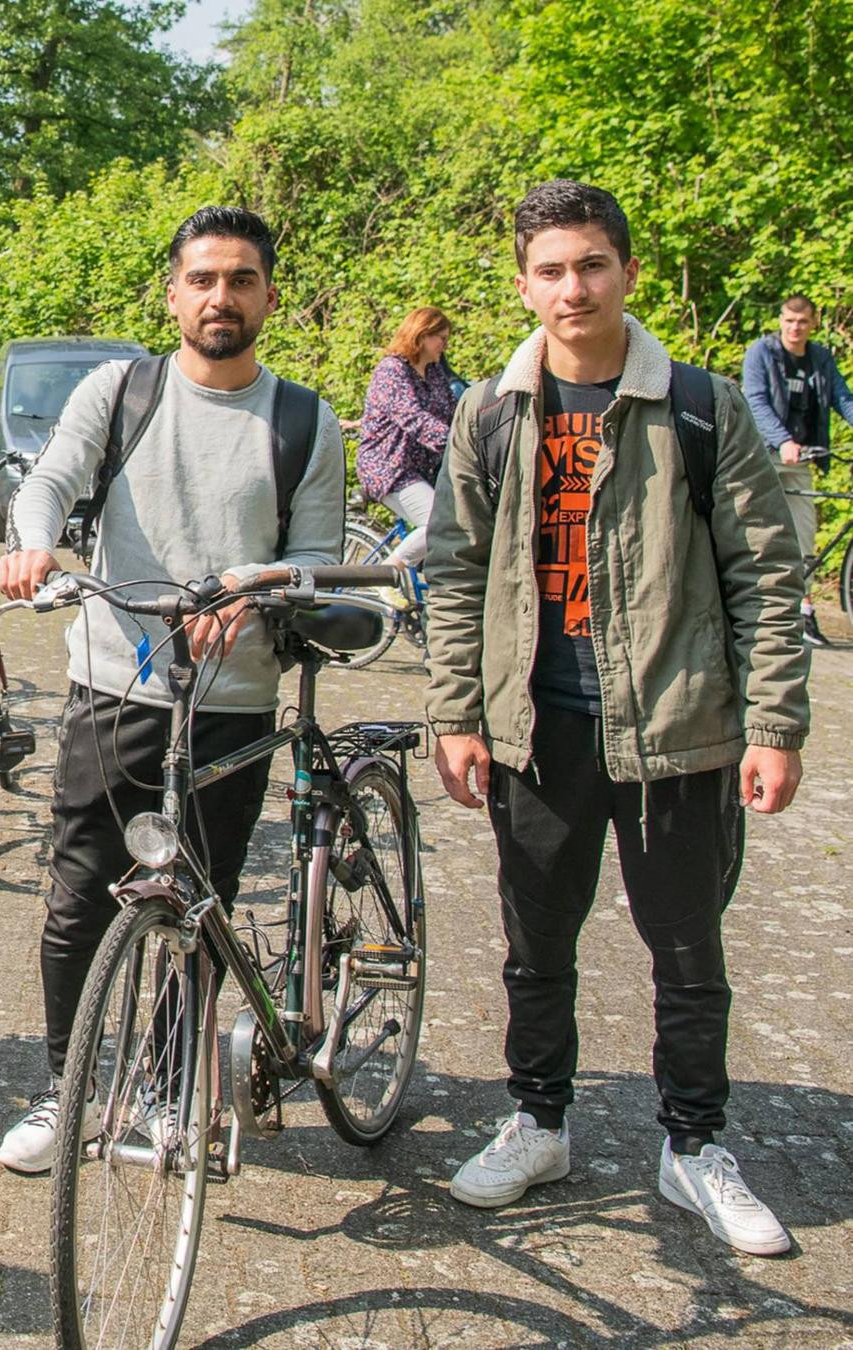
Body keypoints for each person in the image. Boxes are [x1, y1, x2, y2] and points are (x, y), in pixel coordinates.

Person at [426, 180, 808, 1256]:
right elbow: (454, 575)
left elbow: (765, 579)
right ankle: (538, 1122)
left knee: (686, 953)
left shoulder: (698, 406)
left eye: (591, 264)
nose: (572, 287)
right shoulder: (489, 413)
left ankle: (693, 1146)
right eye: (550, 269)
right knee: (532, 946)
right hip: (535, 732)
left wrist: (774, 725)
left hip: (678, 730)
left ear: (626, 273)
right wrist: (456, 712)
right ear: (522, 284)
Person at [0, 206, 346, 1173]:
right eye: (202, 280)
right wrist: (34, 540)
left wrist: (257, 589)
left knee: (199, 906)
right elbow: (51, 478)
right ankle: (67, 1091)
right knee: (79, 900)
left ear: (268, 295)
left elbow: (316, 555)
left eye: (239, 280)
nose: (219, 297)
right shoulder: (121, 391)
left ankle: (159, 1087)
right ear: (174, 293)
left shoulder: (305, 420)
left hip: (233, 694)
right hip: (115, 682)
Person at [742, 294, 853, 645]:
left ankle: (802, 612)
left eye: (802, 322)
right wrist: (782, 440)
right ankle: (750, 607)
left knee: (804, 538)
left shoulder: (820, 358)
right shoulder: (762, 353)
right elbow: (755, 399)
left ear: (813, 323)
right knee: (758, 534)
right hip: (762, 456)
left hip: (801, 459)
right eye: (789, 320)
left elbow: (842, 398)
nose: (795, 328)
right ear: (780, 320)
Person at [358, 305, 460, 575]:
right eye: (442, 338)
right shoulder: (392, 371)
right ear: (422, 334)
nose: (445, 345)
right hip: (389, 467)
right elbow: (412, 417)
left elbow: (453, 412)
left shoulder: (435, 373)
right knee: (440, 522)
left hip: (422, 468)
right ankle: (385, 575)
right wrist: (456, 445)